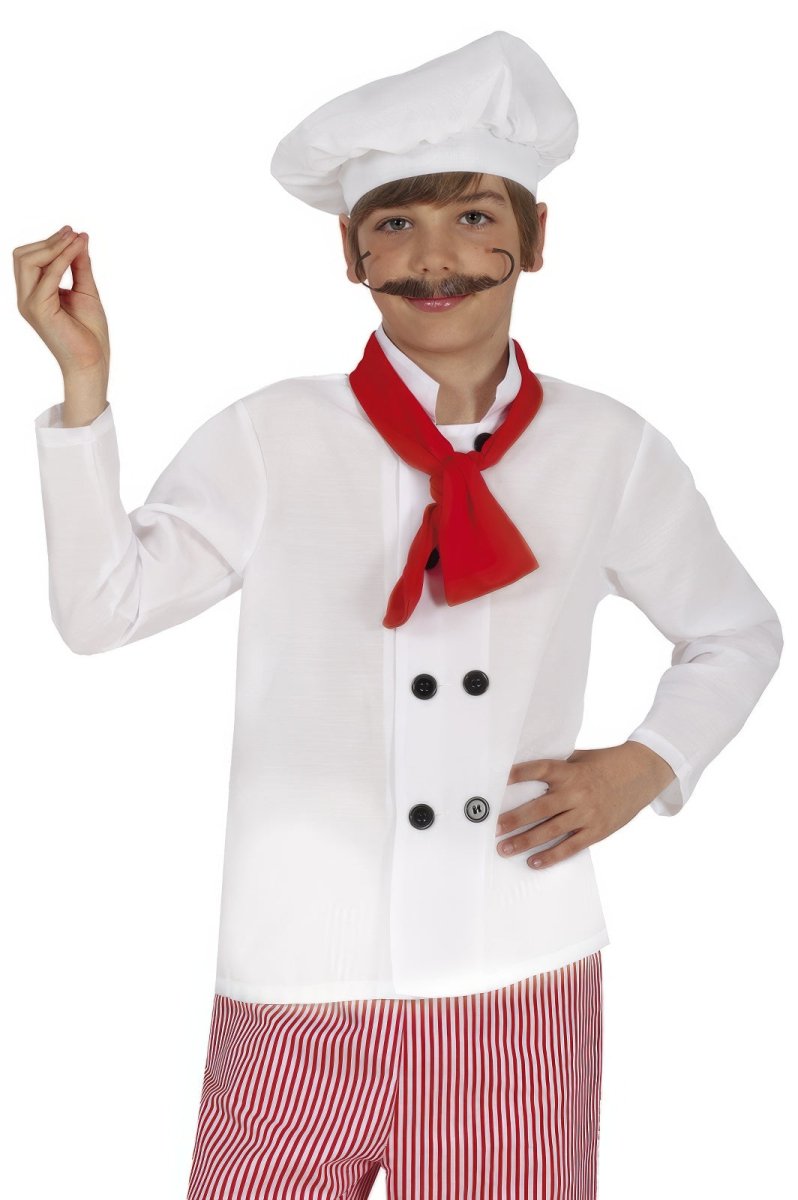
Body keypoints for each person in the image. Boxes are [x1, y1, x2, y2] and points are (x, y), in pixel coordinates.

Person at [14, 29, 783, 1200]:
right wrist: (83, 392)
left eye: (475, 217)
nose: (436, 257)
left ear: (537, 236)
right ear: (349, 252)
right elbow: (101, 611)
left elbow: (736, 632)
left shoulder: (610, 447)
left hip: (519, 980)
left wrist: (648, 765)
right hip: (294, 983)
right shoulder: (273, 434)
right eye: (396, 223)